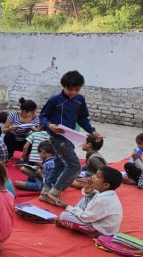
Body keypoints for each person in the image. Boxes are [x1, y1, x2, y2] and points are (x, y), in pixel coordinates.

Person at [38, 70, 103, 207]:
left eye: (77, 89)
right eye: (70, 89)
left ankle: (45, 193)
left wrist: (92, 131)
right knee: (74, 167)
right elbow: (43, 117)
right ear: (63, 85)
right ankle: (54, 193)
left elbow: (82, 118)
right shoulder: (55, 100)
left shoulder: (80, 100)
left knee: (60, 165)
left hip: (71, 137)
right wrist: (50, 125)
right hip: (57, 137)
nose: (73, 92)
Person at [56, 166, 123, 237]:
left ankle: (90, 231)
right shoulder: (104, 193)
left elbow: (85, 217)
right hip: (93, 219)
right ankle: (72, 217)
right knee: (89, 195)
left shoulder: (102, 200)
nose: (92, 177)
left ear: (106, 185)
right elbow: (86, 203)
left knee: (64, 216)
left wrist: (67, 207)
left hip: (101, 231)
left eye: (97, 176)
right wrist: (87, 192)